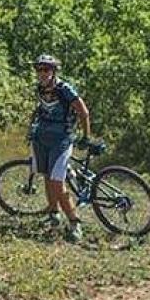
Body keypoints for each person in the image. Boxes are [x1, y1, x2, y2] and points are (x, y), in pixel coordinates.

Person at [29, 54, 91, 243]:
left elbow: (83, 111)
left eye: (46, 69)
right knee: (47, 176)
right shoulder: (40, 88)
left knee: (57, 181)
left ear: (54, 71)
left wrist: (86, 137)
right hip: (42, 138)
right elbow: (41, 108)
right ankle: (53, 213)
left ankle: (74, 222)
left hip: (61, 140)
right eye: (39, 69)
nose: (42, 73)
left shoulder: (64, 89)